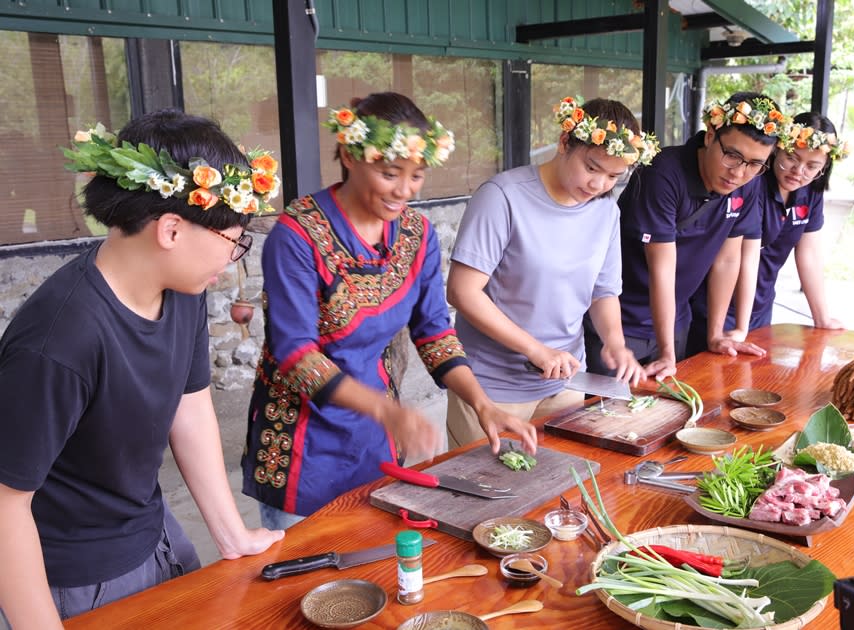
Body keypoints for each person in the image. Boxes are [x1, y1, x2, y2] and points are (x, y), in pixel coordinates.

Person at [0, 110, 285, 627]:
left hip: (156, 536)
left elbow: (190, 401)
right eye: (233, 240)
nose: (234, 259)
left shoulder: (182, 290)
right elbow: (4, 506)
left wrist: (231, 534)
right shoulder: (59, 338)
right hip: (74, 577)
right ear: (172, 230)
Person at [242, 92, 537, 531]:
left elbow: (434, 331)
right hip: (303, 446)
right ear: (348, 155)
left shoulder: (416, 234)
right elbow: (296, 356)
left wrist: (482, 404)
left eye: (416, 175)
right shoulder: (298, 234)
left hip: (377, 439)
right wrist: (388, 412)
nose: (405, 190)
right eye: (389, 173)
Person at [445, 96, 657, 449]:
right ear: (563, 143)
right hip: (492, 386)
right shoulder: (503, 197)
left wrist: (616, 344)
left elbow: (603, 291)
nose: (599, 185)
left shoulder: (605, 213)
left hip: (566, 382)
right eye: (592, 168)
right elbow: (462, 292)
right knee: (487, 492)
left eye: (613, 176)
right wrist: (536, 350)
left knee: (560, 485)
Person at [589, 92, 786, 382]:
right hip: (620, 322)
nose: (739, 173)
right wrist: (667, 353)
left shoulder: (748, 182)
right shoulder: (664, 173)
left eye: (755, 164)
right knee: (608, 418)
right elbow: (663, 268)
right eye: (732, 155)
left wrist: (716, 334)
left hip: (677, 320)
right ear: (710, 136)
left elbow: (728, 260)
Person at [690, 112, 848, 336]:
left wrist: (821, 318)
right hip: (714, 306)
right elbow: (744, 255)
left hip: (761, 307)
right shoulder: (750, 183)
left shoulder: (811, 191)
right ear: (777, 149)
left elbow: (809, 254)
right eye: (792, 158)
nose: (799, 172)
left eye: (812, 166)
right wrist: (740, 328)